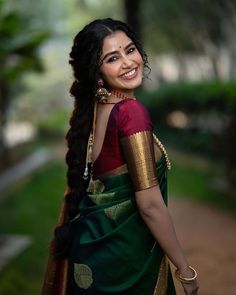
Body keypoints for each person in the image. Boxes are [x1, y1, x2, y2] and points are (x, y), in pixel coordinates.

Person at [42, 18, 199, 295]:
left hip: (92, 261)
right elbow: (149, 204)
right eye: (113, 58)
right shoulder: (130, 113)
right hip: (126, 267)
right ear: (98, 73)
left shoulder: (97, 110)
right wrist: (185, 270)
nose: (128, 62)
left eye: (130, 50)